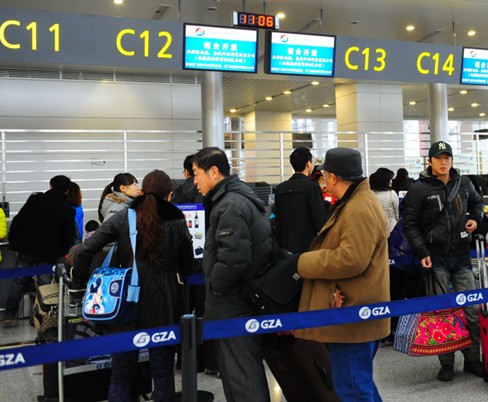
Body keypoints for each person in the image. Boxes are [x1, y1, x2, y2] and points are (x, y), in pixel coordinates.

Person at [72, 169, 194, 402]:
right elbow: (188, 264)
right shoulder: (177, 220)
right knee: (163, 373)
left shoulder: (125, 216)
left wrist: (79, 284)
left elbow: (85, 250)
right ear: (168, 196)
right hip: (164, 305)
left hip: (126, 304)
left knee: (121, 374)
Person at [294, 147, 390, 401]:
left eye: (324, 176)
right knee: (359, 383)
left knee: (353, 389)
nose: (324, 181)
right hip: (354, 308)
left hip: (354, 312)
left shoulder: (358, 208)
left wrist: (303, 262)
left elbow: (352, 259)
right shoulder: (355, 201)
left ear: (332, 177)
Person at [192, 147, 275, 402]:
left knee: (241, 378)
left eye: (197, 174)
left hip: (234, 304)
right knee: (241, 374)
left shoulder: (229, 204)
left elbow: (234, 259)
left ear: (214, 172)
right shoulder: (238, 198)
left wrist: (215, 287)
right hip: (241, 299)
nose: (194, 182)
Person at [403, 140, 484, 382]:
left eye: (447, 157)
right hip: (435, 259)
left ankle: (472, 360)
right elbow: (410, 224)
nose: (444, 161)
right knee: (443, 313)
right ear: (430, 161)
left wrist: (476, 219)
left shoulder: (464, 183)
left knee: (471, 310)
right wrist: (422, 251)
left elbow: (478, 203)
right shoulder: (419, 189)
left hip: (461, 257)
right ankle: (446, 363)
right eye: (439, 157)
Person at [3, 175, 77, 325]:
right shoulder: (68, 210)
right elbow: (69, 236)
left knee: (19, 280)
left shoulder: (36, 199)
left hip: (26, 248)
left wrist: (15, 239)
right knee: (44, 284)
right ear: (67, 190)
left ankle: (9, 315)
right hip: (49, 253)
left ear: (51, 186)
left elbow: (19, 219)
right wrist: (62, 253)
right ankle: (42, 316)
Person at [274, 147, 327, 253]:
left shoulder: (280, 188)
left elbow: (277, 219)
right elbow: (320, 221)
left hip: (285, 246)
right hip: (307, 246)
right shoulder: (312, 187)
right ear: (308, 164)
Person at [369, 167, 399, 236]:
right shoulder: (392, 194)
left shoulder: (371, 194)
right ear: (385, 181)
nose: (392, 181)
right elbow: (397, 213)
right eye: (390, 179)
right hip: (392, 229)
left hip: (376, 229)